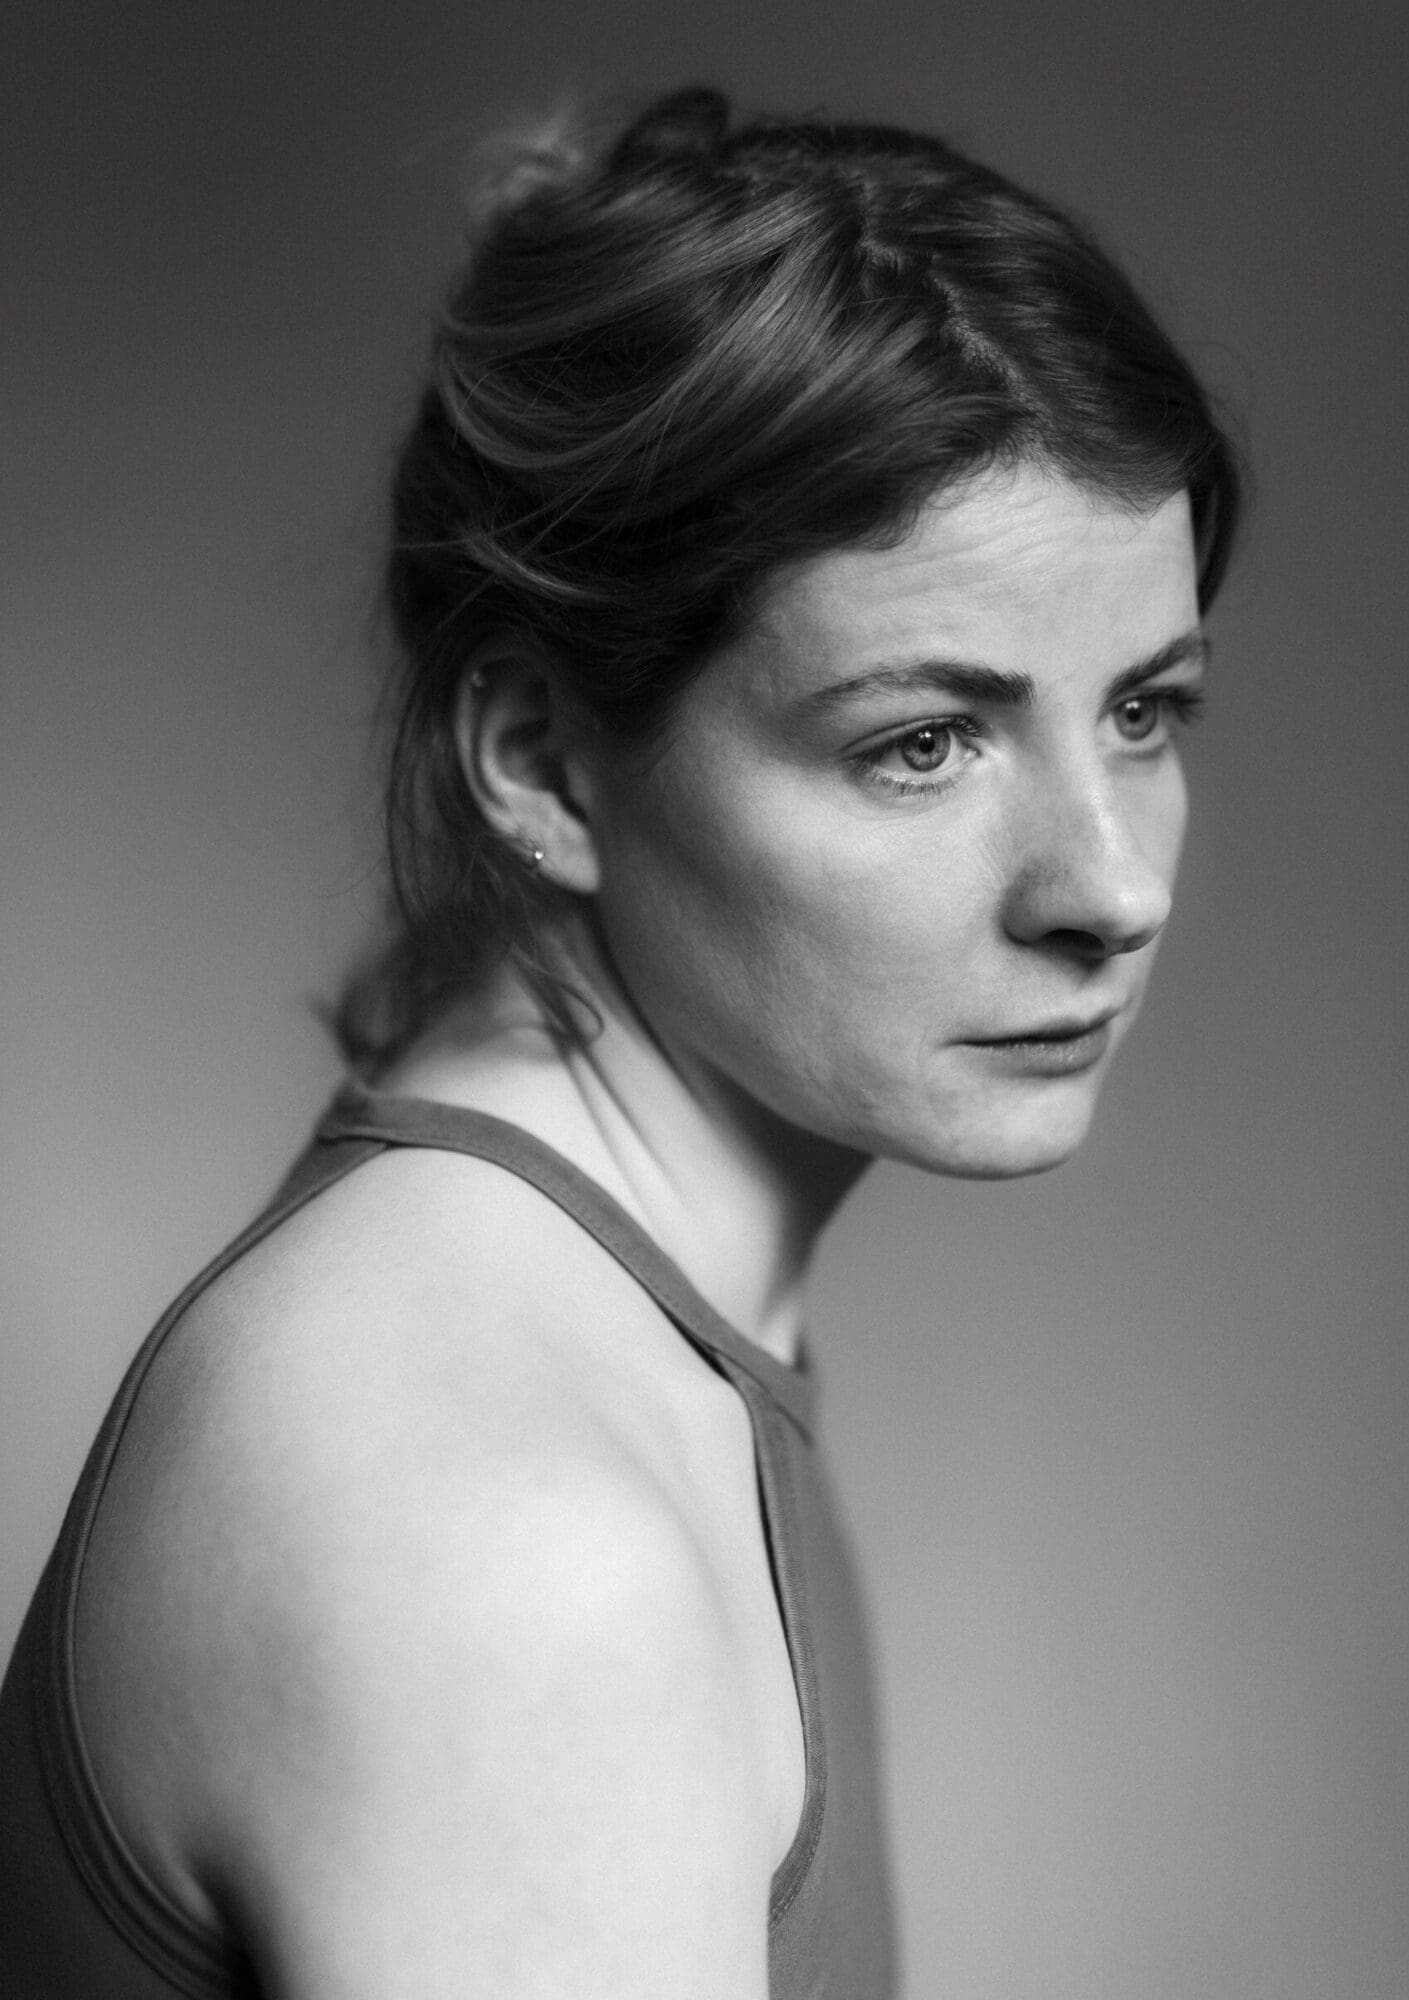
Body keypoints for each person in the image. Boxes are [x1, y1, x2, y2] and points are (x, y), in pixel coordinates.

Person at [0, 83, 1240, 1999]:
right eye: (922, 741)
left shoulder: (600, 1346)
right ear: (539, 762)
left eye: (1144, 711)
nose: (1110, 883)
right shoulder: (500, 1532)